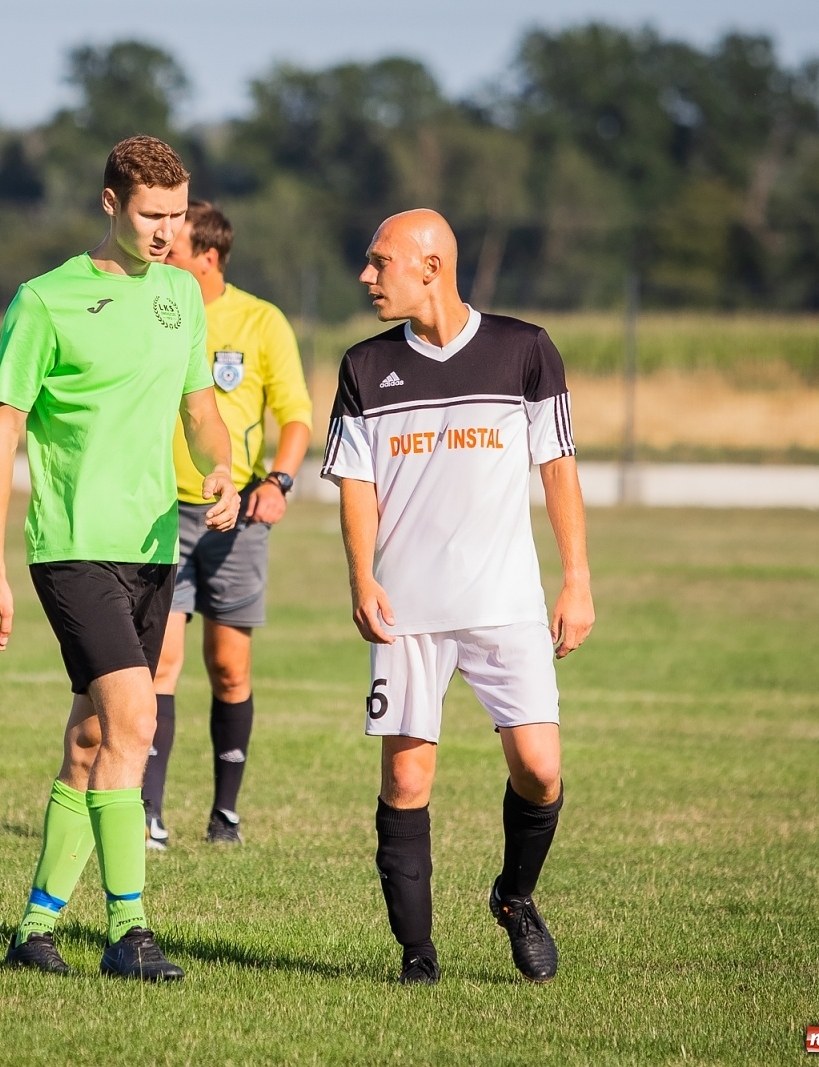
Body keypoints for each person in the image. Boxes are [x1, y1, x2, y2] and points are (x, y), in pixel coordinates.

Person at [0, 136, 240, 981]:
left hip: (156, 545)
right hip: (75, 547)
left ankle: (33, 928)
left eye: (177, 216)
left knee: (93, 736)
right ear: (109, 204)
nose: (167, 232)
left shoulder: (182, 298)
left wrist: (223, 466)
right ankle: (130, 931)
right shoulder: (45, 301)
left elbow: (200, 409)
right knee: (136, 723)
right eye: (151, 215)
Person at [320, 209, 594, 986]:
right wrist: (362, 576)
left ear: (432, 266)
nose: (367, 277)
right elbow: (357, 484)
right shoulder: (365, 367)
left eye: (380, 263)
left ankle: (514, 896)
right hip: (407, 611)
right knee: (406, 781)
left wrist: (577, 576)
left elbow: (559, 468)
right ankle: (418, 956)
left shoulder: (524, 350)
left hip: (506, 601)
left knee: (540, 770)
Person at [144, 200, 314, 848]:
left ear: (208, 258)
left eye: (175, 250)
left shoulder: (262, 321)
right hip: (161, 510)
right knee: (161, 661)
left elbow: (295, 414)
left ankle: (225, 814)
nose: (162, 256)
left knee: (229, 668)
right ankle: (149, 815)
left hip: (236, 514)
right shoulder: (155, 309)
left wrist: (279, 481)